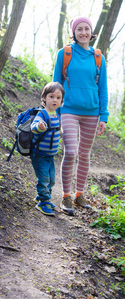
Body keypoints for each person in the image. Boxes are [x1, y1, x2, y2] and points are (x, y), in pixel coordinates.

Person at [53, 16, 109, 216]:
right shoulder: (65, 53)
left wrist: (104, 115)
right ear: (74, 32)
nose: (83, 32)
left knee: (84, 154)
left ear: (91, 32)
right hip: (68, 110)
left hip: (92, 113)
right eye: (79, 29)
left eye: (87, 29)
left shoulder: (98, 57)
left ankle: (79, 194)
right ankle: (65, 195)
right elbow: (56, 84)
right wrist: (55, 111)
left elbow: (102, 88)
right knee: (70, 152)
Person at [30, 82, 65, 216]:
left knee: (51, 179)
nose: (55, 100)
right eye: (51, 96)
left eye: (58, 98)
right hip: (39, 154)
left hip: (50, 155)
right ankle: (43, 201)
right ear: (44, 98)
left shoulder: (56, 115)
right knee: (43, 178)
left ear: (61, 100)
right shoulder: (42, 114)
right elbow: (33, 127)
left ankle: (43, 197)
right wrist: (39, 126)